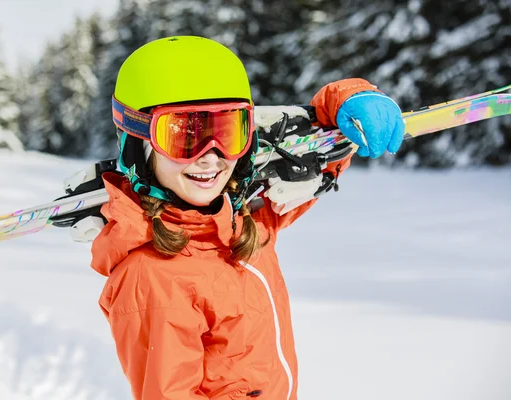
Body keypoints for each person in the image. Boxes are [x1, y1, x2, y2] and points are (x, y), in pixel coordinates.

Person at [90, 36, 404, 399]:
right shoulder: (150, 279)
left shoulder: (243, 220)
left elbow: (316, 160)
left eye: (227, 132)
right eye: (184, 137)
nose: (211, 157)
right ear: (138, 145)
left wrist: (349, 97)